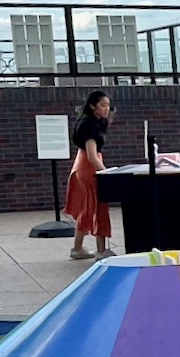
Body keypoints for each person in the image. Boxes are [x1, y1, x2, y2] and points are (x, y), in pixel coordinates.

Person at [65, 90, 113, 260]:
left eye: (108, 105)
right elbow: (92, 157)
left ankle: (78, 248)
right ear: (93, 106)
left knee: (88, 207)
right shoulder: (90, 126)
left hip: (83, 164)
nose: (106, 109)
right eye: (103, 105)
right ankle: (101, 250)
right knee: (99, 206)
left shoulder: (90, 122)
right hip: (89, 167)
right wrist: (107, 173)